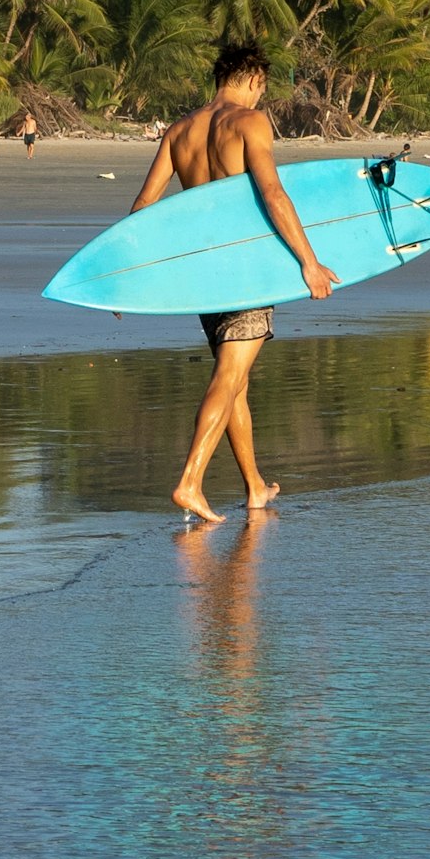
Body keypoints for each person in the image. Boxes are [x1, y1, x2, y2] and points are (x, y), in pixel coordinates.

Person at [129, 41, 336, 527]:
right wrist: (309, 262)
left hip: (206, 277)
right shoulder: (248, 123)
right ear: (250, 79)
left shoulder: (179, 132)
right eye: (262, 87)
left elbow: (142, 209)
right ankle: (191, 482)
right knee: (228, 378)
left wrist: (129, 280)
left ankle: (255, 486)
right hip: (246, 272)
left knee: (235, 383)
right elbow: (272, 193)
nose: (261, 97)